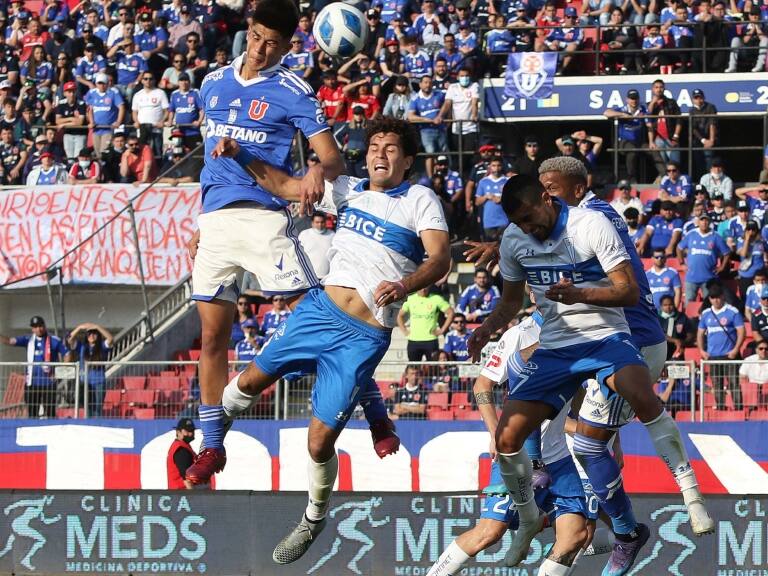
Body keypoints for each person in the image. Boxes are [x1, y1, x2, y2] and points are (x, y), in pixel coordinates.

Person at [220, 117, 450, 563]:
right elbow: (283, 185)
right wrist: (240, 154)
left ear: (407, 160)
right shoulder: (347, 189)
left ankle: (314, 516)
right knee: (247, 383)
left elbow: (439, 258)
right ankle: (212, 438)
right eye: (374, 146)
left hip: (363, 337)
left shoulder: (420, 199)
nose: (379, 153)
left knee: (318, 442)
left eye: (390, 148)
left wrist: (405, 285)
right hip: (319, 313)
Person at [466, 174, 712, 575]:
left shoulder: (590, 223)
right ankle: (529, 519)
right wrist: (485, 328)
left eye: (529, 217)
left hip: (604, 337)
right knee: (507, 438)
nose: (527, 228)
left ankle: (691, 494)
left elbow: (628, 291)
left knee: (641, 395)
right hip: (555, 348)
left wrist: (580, 294)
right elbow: (510, 303)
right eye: (519, 222)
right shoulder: (514, 238)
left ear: (547, 198)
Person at [187, 0, 344, 488]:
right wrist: (205, 220)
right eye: (256, 37)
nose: (260, 49)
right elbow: (212, 160)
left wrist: (316, 169)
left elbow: (332, 158)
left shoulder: (294, 90)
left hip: (264, 218)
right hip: (216, 223)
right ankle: (212, 446)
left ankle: (371, 407)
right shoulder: (212, 83)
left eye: (272, 43)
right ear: (248, 30)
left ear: (287, 46)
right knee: (212, 337)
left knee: (321, 314)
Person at [0, 316, 68, 419]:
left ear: (44, 326)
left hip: (49, 383)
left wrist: (60, 372)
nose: (38, 329)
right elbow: (9, 341)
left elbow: (67, 354)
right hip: (32, 383)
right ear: (32, 329)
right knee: (32, 413)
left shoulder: (53, 340)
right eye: (35, 327)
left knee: (50, 413)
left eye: (40, 326)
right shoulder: (28, 339)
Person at [697, 284, 745, 410]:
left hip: (729, 355)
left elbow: (741, 331)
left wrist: (736, 349)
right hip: (713, 356)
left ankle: (738, 409)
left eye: (718, 297)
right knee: (717, 384)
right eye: (713, 298)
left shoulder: (732, 311)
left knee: (734, 383)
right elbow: (700, 333)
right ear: (709, 299)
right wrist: (701, 350)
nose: (716, 300)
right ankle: (720, 408)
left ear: (723, 296)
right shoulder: (706, 313)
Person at [676, 211, 731, 303]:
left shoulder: (716, 236)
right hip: (691, 277)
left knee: (708, 303)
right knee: (688, 303)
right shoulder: (691, 234)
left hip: (708, 277)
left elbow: (727, 253)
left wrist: (722, 267)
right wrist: (682, 263)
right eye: (702, 220)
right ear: (698, 222)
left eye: (706, 220)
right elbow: (679, 248)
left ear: (709, 222)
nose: (704, 223)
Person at [66, 322, 113, 417]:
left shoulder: (102, 347)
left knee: (98, 409)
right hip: (85, 383)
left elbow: (110, 339)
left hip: (99, 382)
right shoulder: (82, 347)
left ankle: (98, 424)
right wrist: (79, 327)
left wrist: (98, 327)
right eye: (89, 334)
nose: (91, 335)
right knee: (88, 409)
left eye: (94, 333)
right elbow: (69, 340)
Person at [398, 287, 454, 361]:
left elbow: (451, 313)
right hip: (413, 340)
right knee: (413, 366)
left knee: (433, 366)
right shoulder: (410, 299)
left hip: (431, 340)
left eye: (425, 287)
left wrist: (442, 330)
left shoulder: (436, 299)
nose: (423, 290)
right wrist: (404, 330)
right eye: (421, 288)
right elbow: (400, 315)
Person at [604, 89, 648, 183]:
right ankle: (632, 178)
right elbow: (606, 113)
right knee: (632, 151)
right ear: (627, 100)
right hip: (624, 142)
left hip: (639, 142)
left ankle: (664, 176)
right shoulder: (623, 109)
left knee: (654, 150)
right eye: (631, 98)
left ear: (639, 99)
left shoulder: (643, 109)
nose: (634, 101)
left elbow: (651, 120)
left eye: (635, 98)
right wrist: (623, 115)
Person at [407, 75, 446, 178]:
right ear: (420, 84)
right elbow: (410, 117)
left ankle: (443, 177)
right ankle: (430, 178)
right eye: (425, 82)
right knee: (430, 153)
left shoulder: (439, 94)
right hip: (426, 130)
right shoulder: (415, 98)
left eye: (429, 82)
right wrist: (428, 120)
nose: (428, 85)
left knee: (444, 154)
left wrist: (446, 119)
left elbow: (447, 105)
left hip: (441, 128)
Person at [647, 78, 683, 177]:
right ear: (652, 89)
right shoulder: (650, 104)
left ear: (664, 89)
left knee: (675, 164)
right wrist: (653, 103)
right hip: (658, 139)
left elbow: (679, 120)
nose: (659, 89)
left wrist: (676, 136)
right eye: (656, 87)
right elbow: (647, 117)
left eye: (661, 87)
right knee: (662, 167)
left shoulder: (671, 102)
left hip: (671, 138)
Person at [440, 67, 479, 157]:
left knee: (469, 154)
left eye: (466, 76)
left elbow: (474, 102)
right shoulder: (452, 87)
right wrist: (440, 116)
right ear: (457, 77)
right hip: (456, 128)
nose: (464, 78)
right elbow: (447, 103)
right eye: (462, 76)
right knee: (457, 154)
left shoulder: (474, 85)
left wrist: (474, 115)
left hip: (470, 127)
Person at [131, 72, 168, 158]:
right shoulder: (137, 95)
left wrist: (162, 121)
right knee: (142, 155)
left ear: (154, 80)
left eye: (150, 79)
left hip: (156, 129)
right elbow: (134, 112)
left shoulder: (160, 93)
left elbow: (166, 111)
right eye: (146, 79)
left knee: (157, 155)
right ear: (142, 80)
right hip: (142, 130)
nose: (148, 81)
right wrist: (136, 121)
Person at [475, 156, 509, 240]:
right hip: (488, 221)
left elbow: (514, 200)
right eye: (494, 165)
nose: (496, 168)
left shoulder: (507, 181)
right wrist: (486, 196)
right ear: (489, 167)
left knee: (504, 246)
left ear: (502, 166)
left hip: (504, 221)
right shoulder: (483, 181)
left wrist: (503, 198)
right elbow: (477, 202)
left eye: (498, 165)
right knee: (489, 246)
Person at [298, 212, 335, 281]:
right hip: (309, 277)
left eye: (322, 222)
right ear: (312, 223)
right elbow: (299, 254)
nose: (320, 224)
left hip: (327, 278)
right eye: (317, 222)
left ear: (325, 222)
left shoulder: (332, 235)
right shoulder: (304, 234)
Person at [689, 89, 718, 177]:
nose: (698, 100)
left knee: (709, 162)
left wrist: (711, 140)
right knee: (699, 164)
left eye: (700, 97)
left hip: (710, 139)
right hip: (698, 141)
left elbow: (712, 124)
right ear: (693, 100)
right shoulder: (692, 110)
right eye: (696, 98)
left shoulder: (710, 107)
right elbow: (693, 128)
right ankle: (701, 182)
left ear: (704, 98)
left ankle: (711, 180)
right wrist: (703, 140)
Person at [167, 418, 197, 490]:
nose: (191, 433)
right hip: (182, 493)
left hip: (181, 493)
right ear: (178, 432)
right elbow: (187, 479)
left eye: (192, 430)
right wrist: (193, 495)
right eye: (187, 431)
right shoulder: (181, 450)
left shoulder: (184, 446)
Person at [658, 294, 690, 360]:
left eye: (670, 304)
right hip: (661, 349)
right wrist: (674, 341)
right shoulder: (657, 318)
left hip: (679, 349)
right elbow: (658, 334)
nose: (668, 307)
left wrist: (682, 343)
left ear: (674, 304)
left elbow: (690, 333)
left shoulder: (682, 317)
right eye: (665, 305)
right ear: (661, 306)